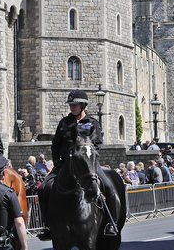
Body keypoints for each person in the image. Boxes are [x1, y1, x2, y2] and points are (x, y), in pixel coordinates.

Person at [39, 89, 117, 239]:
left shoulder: (92, 123)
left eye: (75, 105)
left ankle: (111, 222)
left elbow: (97, 143)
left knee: (109, 185)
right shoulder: (64, 123)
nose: (72, 108)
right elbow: (55, 145)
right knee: (43, 188)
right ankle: (47, 225)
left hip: (87, 165)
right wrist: (57, 162)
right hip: (65, 166)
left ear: (82, 106)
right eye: (71, 105)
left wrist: (86, 153)